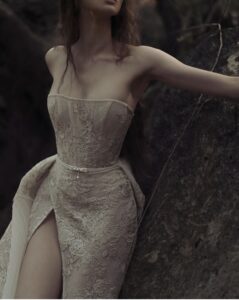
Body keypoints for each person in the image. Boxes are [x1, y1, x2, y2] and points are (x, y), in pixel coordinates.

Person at [0, 0, 239, 298]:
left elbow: (230, 85)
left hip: (105, 204)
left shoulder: (140, 61)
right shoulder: (57, 58)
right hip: (55, 193)